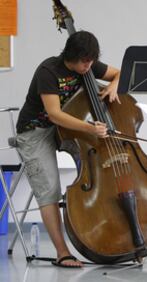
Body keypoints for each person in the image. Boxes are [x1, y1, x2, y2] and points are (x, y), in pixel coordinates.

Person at [15, 31, 120, 268]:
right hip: (36, 131)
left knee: (102, 168)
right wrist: (90, 128)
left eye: (92, 61)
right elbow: (54, 114)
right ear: (71, 56)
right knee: (49, 188)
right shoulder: (48, 71)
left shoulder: (88, 64)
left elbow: (118, 72)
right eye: (85, 62)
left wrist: (114, 85)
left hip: (67, 129)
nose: (89, 66)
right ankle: (62, 252)